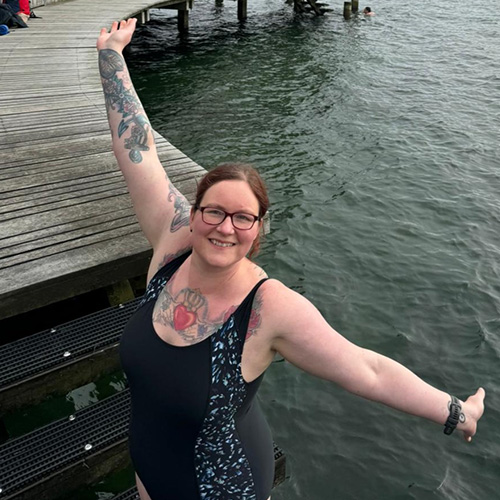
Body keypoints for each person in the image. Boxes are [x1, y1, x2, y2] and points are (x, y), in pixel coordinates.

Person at [97, 18, 485, 500]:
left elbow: (367, 369)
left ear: (259, 230)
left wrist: (456, 412)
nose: (225, 227)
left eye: (243, 218)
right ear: (193, 215)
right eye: (214, 211)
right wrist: (111, 55)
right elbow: (137, 147)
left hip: (223, 486)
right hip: (151, 471)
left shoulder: (268, 308)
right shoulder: (173, 242)